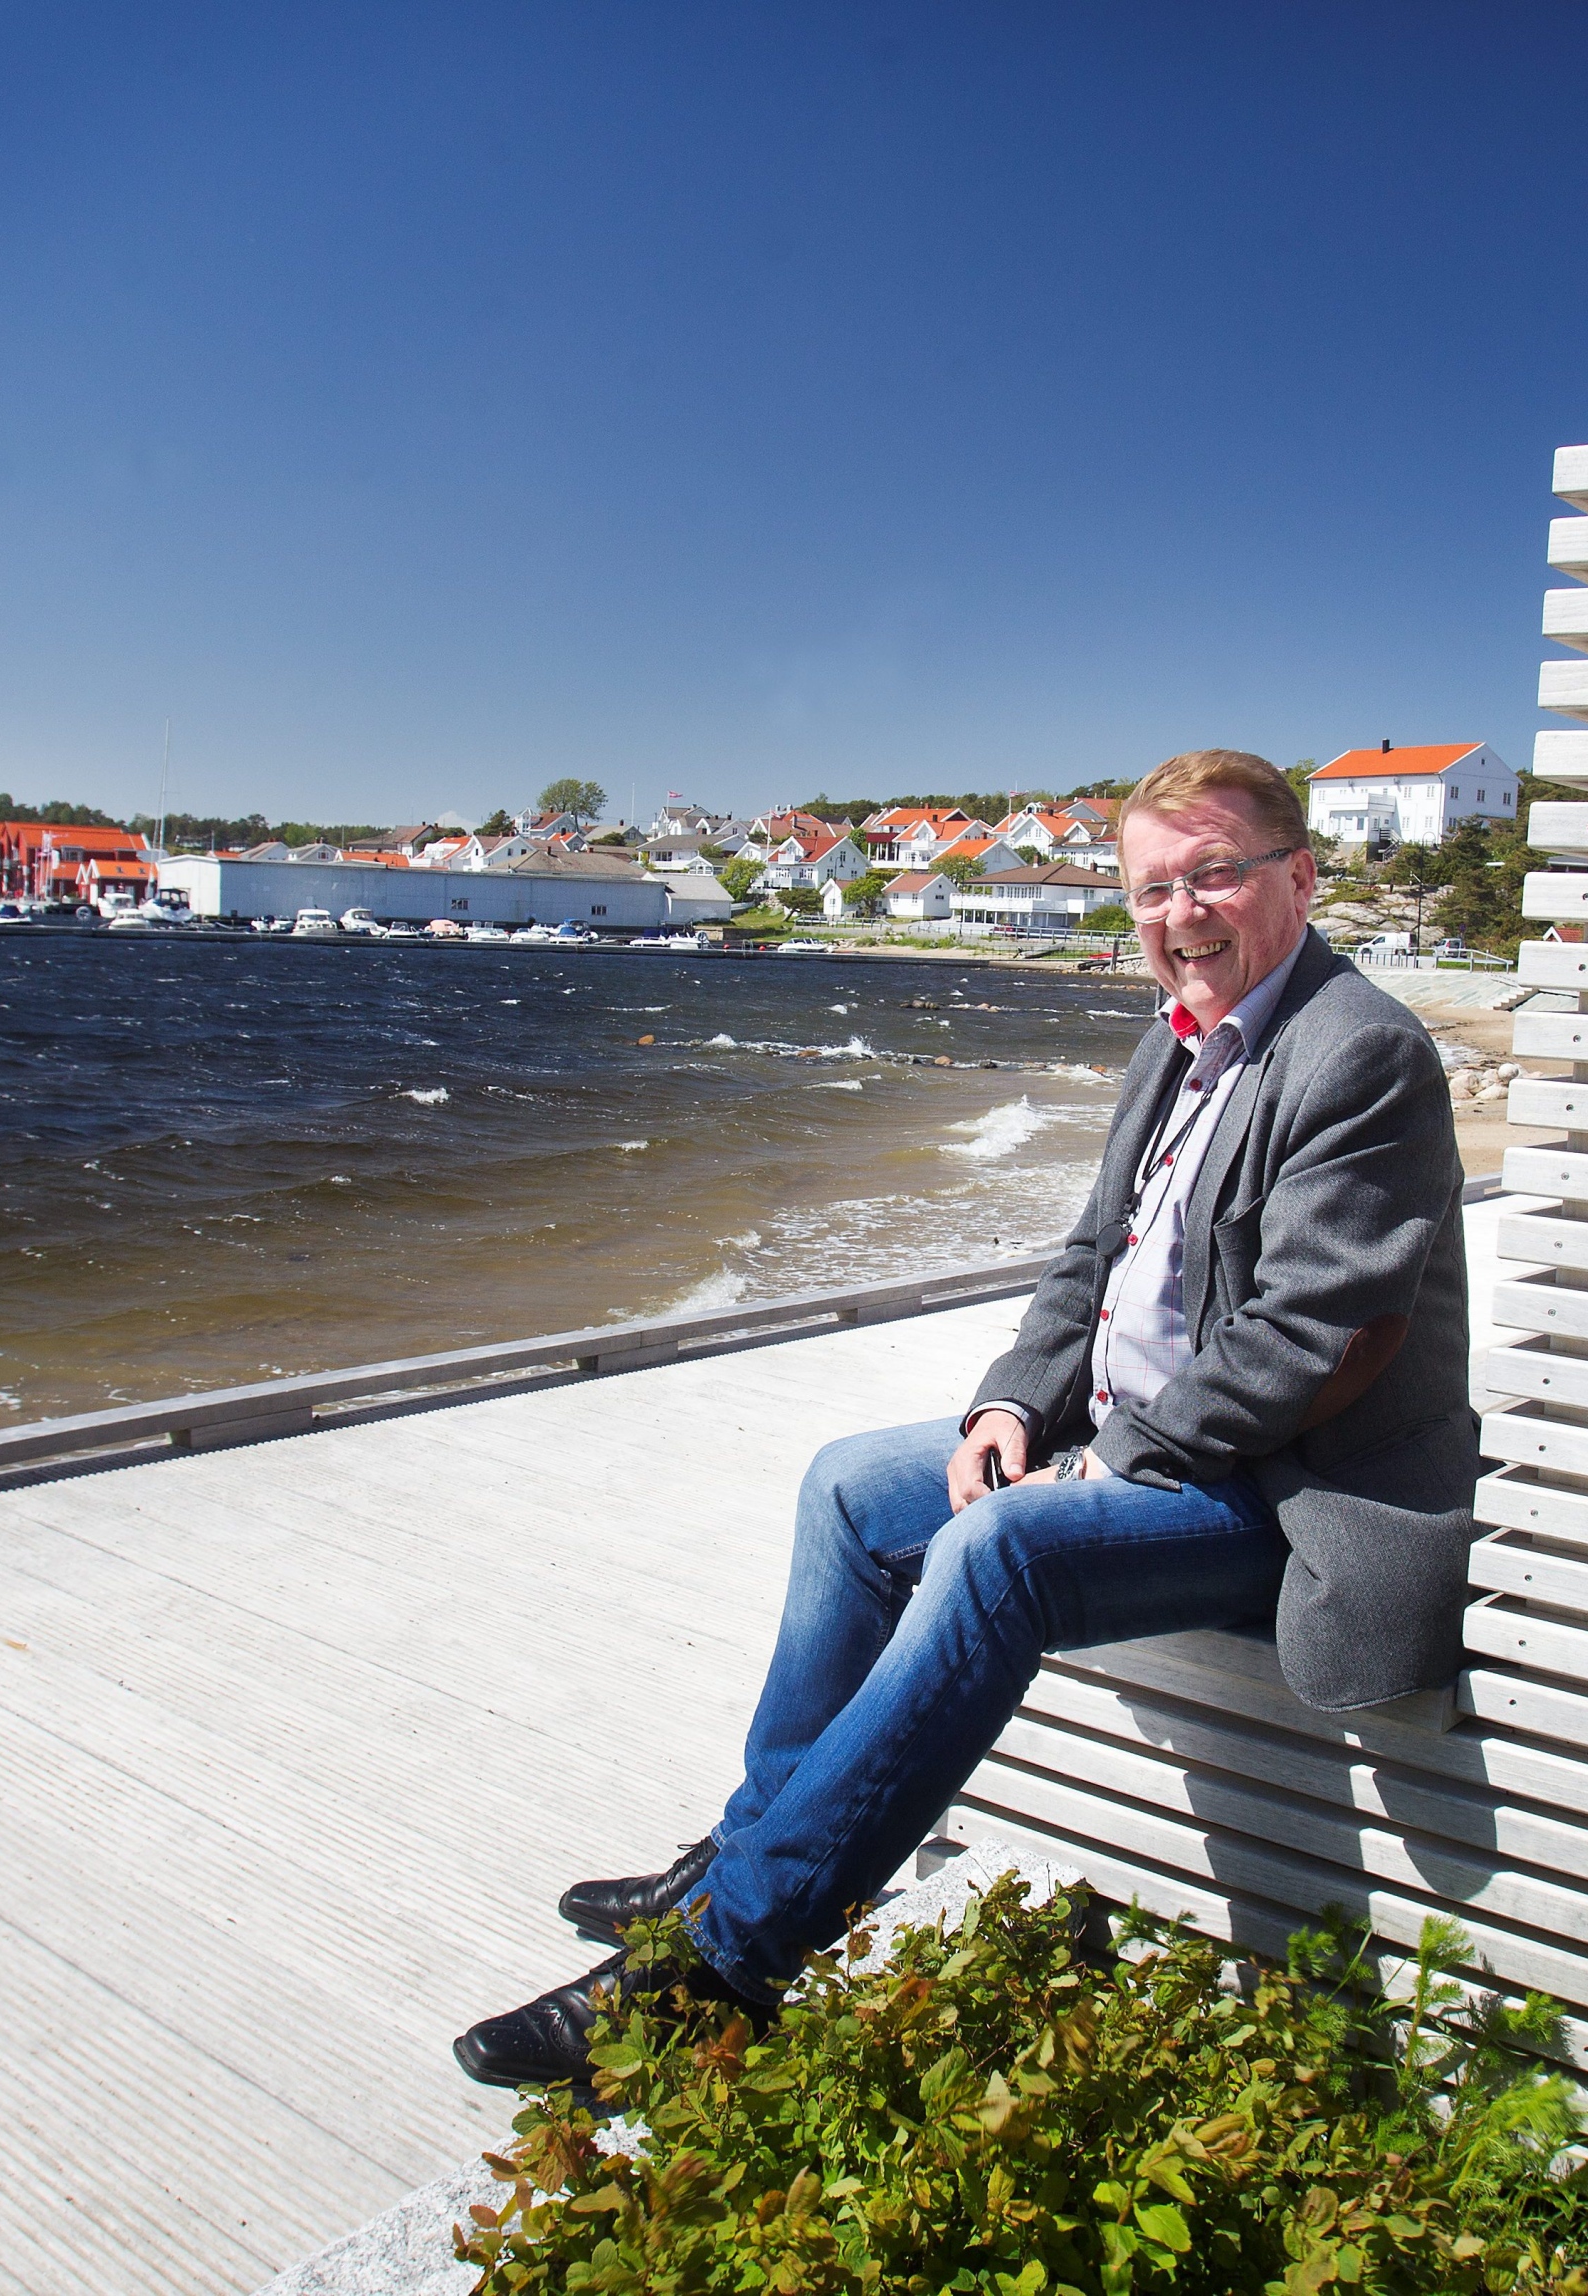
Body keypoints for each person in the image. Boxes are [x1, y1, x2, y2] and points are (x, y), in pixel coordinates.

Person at [453, 748, 1477, 2088]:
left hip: (1288, 1495)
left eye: (1213, 875)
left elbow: (1324, 1339)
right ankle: (752, 1844)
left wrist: (1109, 1461)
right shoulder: (1175, 1048)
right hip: (1146, 1450)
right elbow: (1087, 1264)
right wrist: (1012, 1405)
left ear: (1298, 875)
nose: (1179, 916)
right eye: (1152, 890)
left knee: (1001, 1553)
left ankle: (723, 1964)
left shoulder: (1359, 1054)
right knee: (850, 1485)